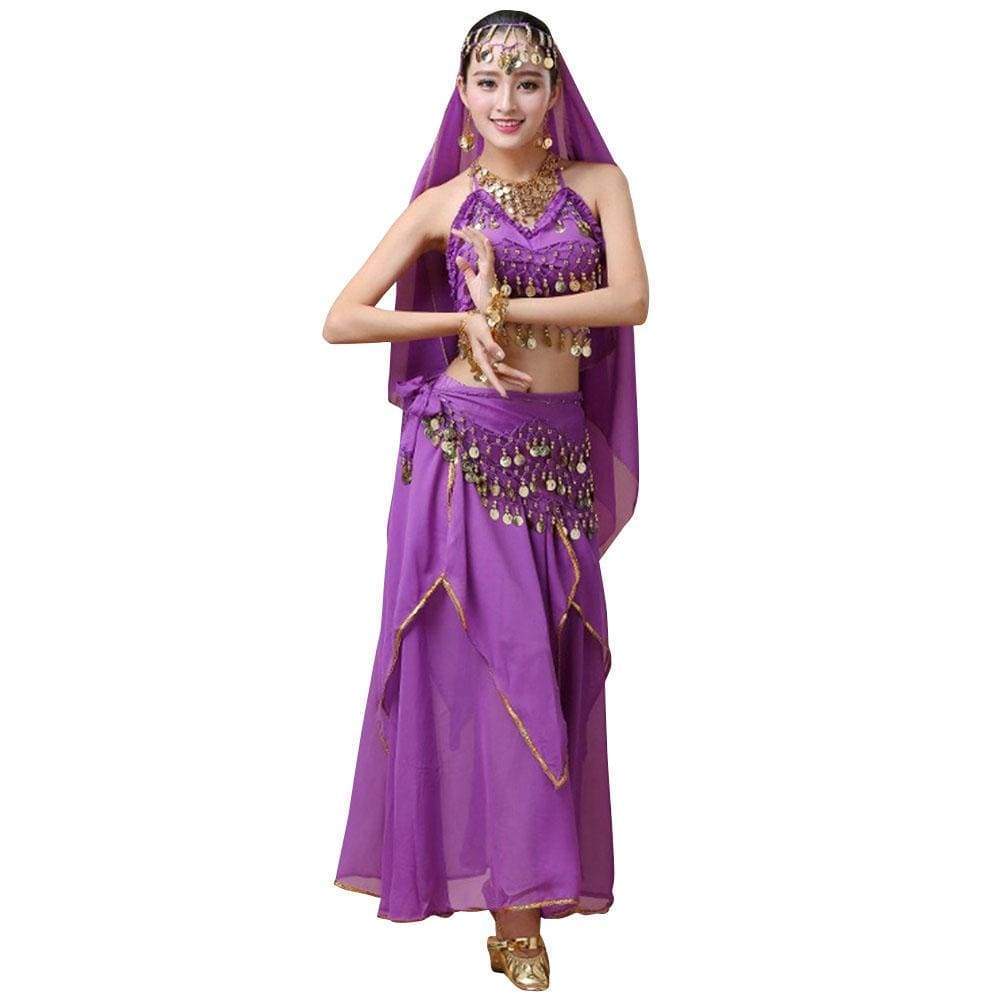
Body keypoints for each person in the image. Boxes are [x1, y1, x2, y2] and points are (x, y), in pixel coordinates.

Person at [322, 10, 647, 991]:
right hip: (462, 456)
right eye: (489, 82)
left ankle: (521, 890)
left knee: (548, 661)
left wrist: (502, 307)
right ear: (462, 94)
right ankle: (517, 913)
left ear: (554, 94)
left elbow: (631, 300)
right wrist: (457, 320)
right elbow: (342, 317)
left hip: (555, 461)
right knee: (497, 673)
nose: (507, 101)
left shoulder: (600, 187)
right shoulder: (442, 204)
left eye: (527, 82)